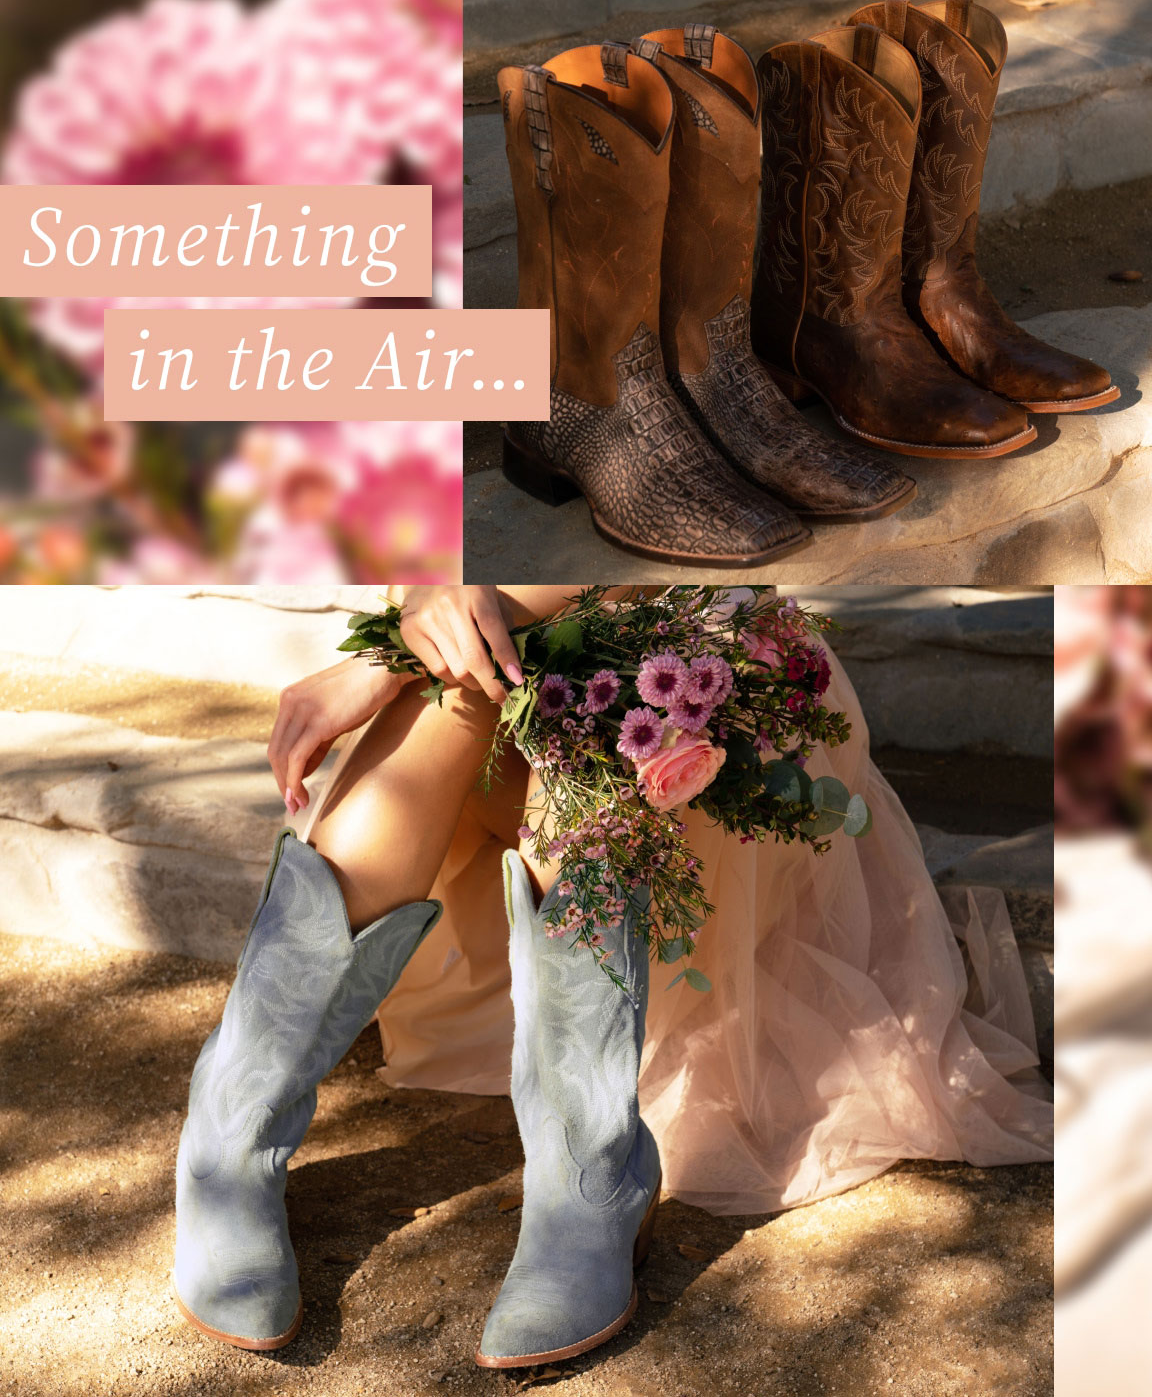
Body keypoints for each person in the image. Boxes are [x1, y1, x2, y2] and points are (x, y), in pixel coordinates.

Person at [172, 584, 1052, 1368]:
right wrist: (423, 621)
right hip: (505, 632)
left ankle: (587, 1182)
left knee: (573, 717)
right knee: (455, 694)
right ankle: (230, 1133)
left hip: (688, 664)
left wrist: (425, 629)